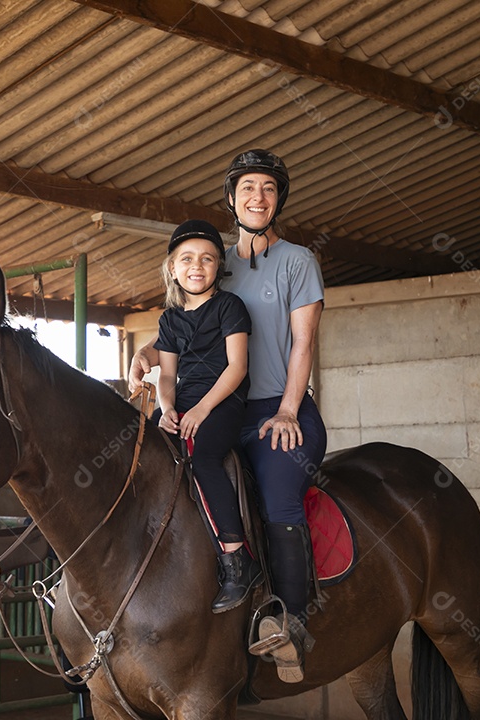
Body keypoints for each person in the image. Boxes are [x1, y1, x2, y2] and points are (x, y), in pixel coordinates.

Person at [131, 150, 325, 683]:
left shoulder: (299, 262)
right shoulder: (215, 258)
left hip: (274, 409)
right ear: (232, 199)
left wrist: (289, 409)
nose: (257, 197)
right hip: (215, 408)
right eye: (247, 188)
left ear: (278, 199)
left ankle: (290, 623)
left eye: (267, 188)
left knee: (282, 497)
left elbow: (304, 344)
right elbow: (186, 328)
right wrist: (147, 354)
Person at [153, 219, 263, 614]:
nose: (196, 266)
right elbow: (167, 374)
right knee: (144, 449)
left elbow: (237, 367)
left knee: (202, 458)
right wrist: (167, 410)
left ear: (219, 266)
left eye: (207, 259)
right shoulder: (169, 319)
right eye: (186, 259)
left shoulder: (229, 307)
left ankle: (237, 558)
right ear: (172, 267)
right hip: (181, 402)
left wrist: (201, 409)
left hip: (224, 402)